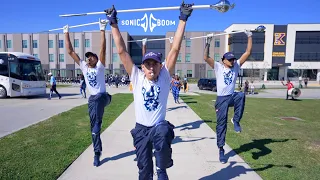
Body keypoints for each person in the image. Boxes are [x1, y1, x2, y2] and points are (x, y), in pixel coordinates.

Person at [104, 2, 193, 179]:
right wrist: (113, 24)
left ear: (160, 66)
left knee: (163, 131)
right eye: (147, 65)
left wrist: (183, 19)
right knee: (144, 171)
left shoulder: (165, 77)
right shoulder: (136, 77)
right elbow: (122, 51)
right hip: (141, 129)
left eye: (155, 64)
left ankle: (162, 170)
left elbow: (174, 49)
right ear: (142, 67)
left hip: (158, 127)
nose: (151, 68)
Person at [64, 19, 112, 167]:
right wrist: (66, 33)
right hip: (93, 100)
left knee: (96, 102)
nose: (89, 57)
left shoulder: (100, 67)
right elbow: (70, 51)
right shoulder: (84, 67)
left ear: (97, 59)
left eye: (91, 55)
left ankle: (97, 125)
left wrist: (102, 29)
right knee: (93, 130)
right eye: (88, 56)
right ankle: (97, 152)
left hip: (103, 97)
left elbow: (103, 49)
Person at [203, 30, 252, 164]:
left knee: (241, 95)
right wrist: (208, 41)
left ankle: (236, 121)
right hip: (221, 100)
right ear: (223, 60)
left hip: (231, 96)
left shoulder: (236, 66)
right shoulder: (218, 67)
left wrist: (249, 36)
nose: (232, 61)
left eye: (233, 59)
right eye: (229, 59)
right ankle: (221, 149)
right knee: (221, 125)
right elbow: (206, 57)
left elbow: (247, 52)